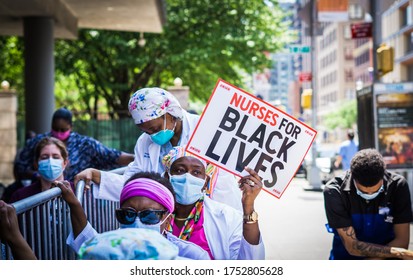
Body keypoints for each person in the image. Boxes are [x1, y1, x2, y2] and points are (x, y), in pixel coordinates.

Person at [75, 88, 242, 211]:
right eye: (145, 131)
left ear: (170, 113)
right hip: (169, 216)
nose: (151, 135)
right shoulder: (145, 142)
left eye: (154, 129)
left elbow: (228, 176)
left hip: (213, 211)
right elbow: (135, 182)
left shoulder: (206, 130)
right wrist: (97, 175)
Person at [57, 172, 210, 260]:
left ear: (168, 219)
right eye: (128, 214)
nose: (137, 222)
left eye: (149, 215)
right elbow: (87, 240)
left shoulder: (192, 256)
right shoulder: (111, 249)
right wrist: (74, 204)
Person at [161, 146, 265, 260]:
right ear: (167, 177)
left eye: (196, 172)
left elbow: (250, 262)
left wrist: (248, 206)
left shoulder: (227, 217)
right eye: (180, 170)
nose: (187, 177)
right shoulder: (151, 213)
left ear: (206, 182)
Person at [324, 148, 413, 260]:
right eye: (363, 192)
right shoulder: (334, 191)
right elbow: (352, 246)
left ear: (383, 175)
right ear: (352, 176)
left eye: (376, 190)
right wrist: (399, 253)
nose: (370, 194)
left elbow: (402, 240)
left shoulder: (398, 186)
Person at [14, 107, 134, 183]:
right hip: (42, 192)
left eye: (63, 129)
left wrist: (138, 158)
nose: (59, 133)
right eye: (56, 129)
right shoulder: (39, 142)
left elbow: (112, 156)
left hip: (75, 195)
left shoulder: (85, 144)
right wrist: (38, 175)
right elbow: (21, 166)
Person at [9, 137, 73, 203]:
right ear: (36, 164)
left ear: (65, 163)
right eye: (44, 157)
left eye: (56, 157)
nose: (50, 161)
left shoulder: (78, 191)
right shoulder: (21, 196)